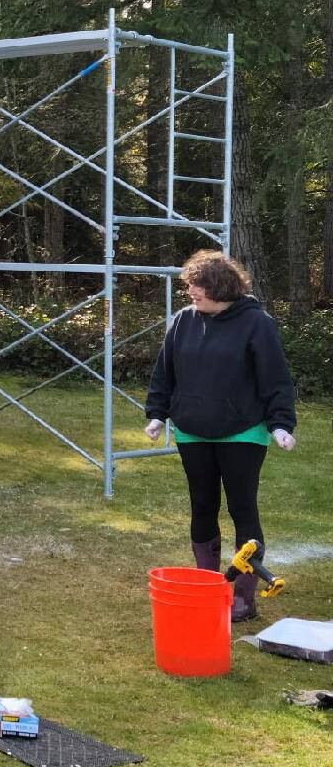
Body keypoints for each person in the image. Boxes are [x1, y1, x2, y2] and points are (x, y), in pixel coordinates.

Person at [144, 249, 297, 621]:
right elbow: (164, 373)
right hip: (192, 430)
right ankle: (208, 586)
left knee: (242, 507)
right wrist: (157, 414)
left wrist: (280, 424)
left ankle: (243, 597)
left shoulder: (256, 323)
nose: (191, 294)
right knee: (202, 505)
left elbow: (275, 378)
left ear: (220, 288)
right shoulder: (182, 321)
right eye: (190, 288)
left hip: (243, 431)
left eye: (197, 288)